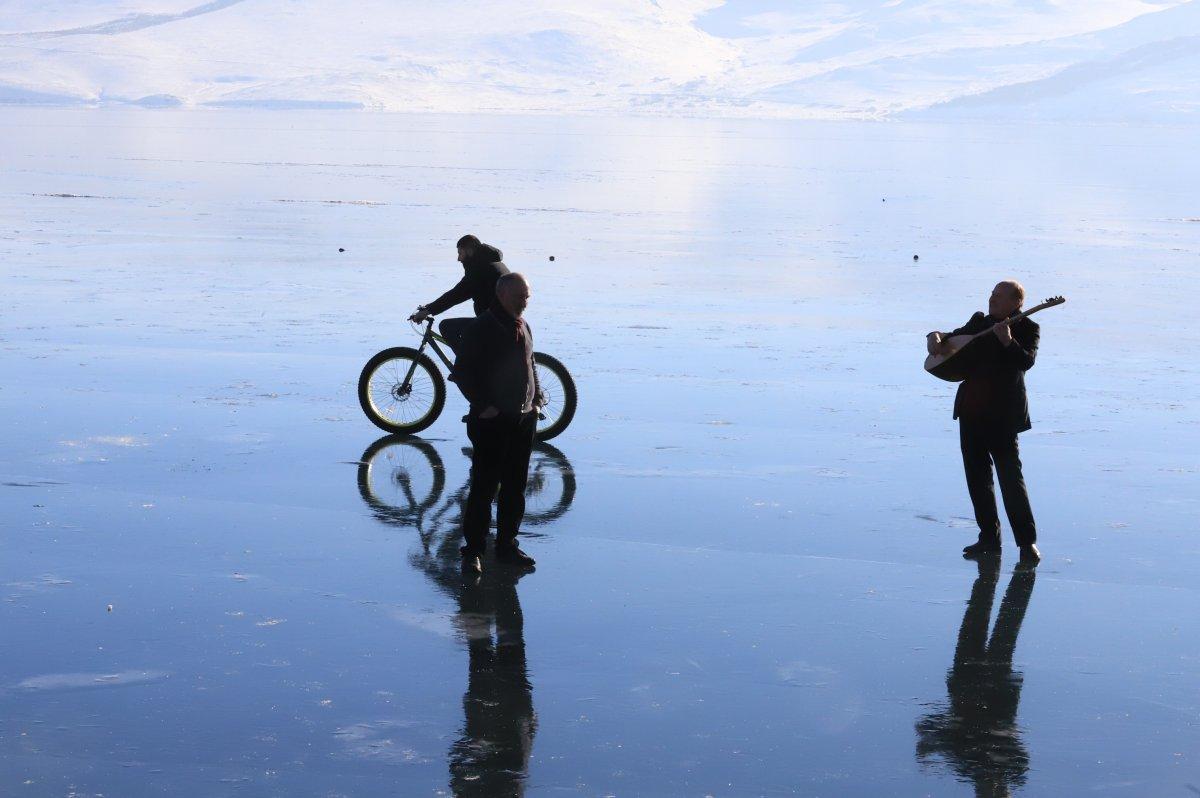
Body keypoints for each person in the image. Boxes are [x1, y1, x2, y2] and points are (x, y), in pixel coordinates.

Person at [927, 281, 1042, 563]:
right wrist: (934, 336)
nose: (992, 298)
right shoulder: (980, 321)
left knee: (1010, 480)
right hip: (971, 411)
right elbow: (951, 338)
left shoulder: (1028, 328)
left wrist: (1008, 341)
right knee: (978, 479)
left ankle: (1027, 544)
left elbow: (1026, 362)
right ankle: (989, 538)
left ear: (1016, 303)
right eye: (991, 294)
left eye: (999, 296)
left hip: (1002, 415)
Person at [916, 556, 1036, 798]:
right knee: (1000, 631)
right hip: (994, 691)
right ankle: (1006, 581)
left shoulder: (970, 764)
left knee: (986, 627)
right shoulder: (1009, 769)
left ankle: (997, 580)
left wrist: (931, 742)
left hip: (971, 686)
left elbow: (932, 728)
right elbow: (1019, 761)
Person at [451, 272, 540, 573]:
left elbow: (531, 363)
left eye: (527, 295)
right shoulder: (482, 328)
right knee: (484, 488)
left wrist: (536, 399)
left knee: (515, 488)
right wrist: (484, 406)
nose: (525, 300)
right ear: (502, 294)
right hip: (492, 421)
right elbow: (462, 373)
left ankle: (507, 547)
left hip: (523, 419)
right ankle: (472, 552)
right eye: (520, 296)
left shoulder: (523, 324)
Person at [410, 234, 510, 352]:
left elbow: (457, 294)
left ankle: (466, 366)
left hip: (494, 323)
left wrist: (428, 310)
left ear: (469, 251)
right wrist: (429, 308)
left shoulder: (480, 269)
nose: (458, 258)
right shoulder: (491, 262)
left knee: (446, 327)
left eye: (460, 253)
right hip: (502, 320)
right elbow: (461, 292)